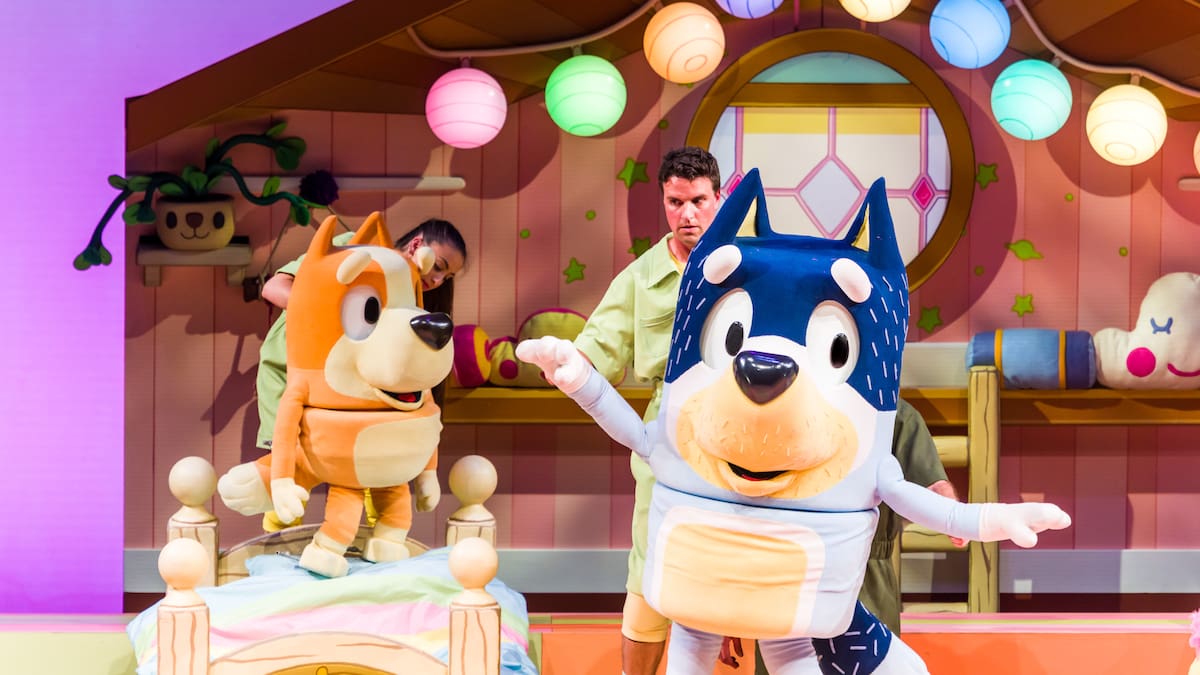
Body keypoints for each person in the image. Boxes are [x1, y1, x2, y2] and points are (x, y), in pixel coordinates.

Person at [571, 146, 722, 675]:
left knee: (730, 561)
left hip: (738, 429)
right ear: (663, 201)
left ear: (719, 197)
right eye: (676, 202)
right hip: (667, 431)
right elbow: (597, 348)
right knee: (651, 563)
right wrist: (565, 363)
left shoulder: (744, 266)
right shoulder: (641, 277)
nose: (687, 214)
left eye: (698, 200)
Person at [255, 216, 467, 532]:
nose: (437, 280)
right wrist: (323, 314)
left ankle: (376, 544)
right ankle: (278, 547)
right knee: (289, 466)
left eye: (446, 277)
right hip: (294, 374)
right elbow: (274, 287)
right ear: (417, 245)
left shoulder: (408, 293)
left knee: (372, 464)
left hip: (354, 387)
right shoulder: (357, 249)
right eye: (438, 266)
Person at [750, 398, 963, 674]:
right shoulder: (774, 408)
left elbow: (932, 484)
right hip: (781, 577)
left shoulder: (891, 413)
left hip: (862, 578)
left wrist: (949, 509)